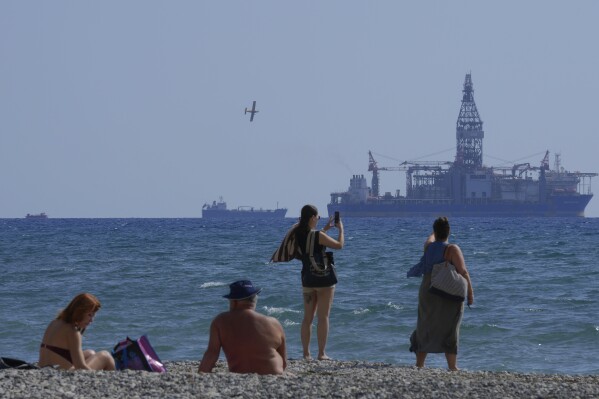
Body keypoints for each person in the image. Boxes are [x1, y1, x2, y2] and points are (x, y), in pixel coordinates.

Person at [407, 216, 474, 371]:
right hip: (447, 291)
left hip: (427, 289)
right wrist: (470, 293)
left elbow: (430, 238)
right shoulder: (452, 249)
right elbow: (463, 272)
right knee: (450, 325)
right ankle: (452, 366)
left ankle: (420, 364)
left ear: (435, 232)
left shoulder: (428, 247)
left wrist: (435, 231)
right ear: (449, 231)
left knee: (425, 324)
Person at [198, 280, 287, 375]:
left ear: (233, 301)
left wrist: (201, 375)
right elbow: (284, 362)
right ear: (254, 299)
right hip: (274, 374)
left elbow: (211, 354)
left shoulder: (220, 321)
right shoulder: (274, 323)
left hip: (240, 374)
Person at [294, 205, 344, 360]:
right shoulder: (317, 235)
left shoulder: (298, 233)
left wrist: (325, 229)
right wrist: (341, 230)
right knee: (323, 317)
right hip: (323, 279)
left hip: (307, 279)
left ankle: (306, 354)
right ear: (312, 218)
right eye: (317, 216)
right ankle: (321, 353)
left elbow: (312, 240)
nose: (319, 218)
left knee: (307, 318)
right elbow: (339, 245)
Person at [38, 293, 115, 370]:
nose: (92, 320)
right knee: (105, 355)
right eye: (89, 315)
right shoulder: (72, 331)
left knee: (90, 353)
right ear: (79, 312)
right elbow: (80, 367)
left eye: (93, 315)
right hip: (60, 373)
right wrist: (95, 375)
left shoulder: (55, 322)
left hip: (44, 369)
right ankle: (112, 379)